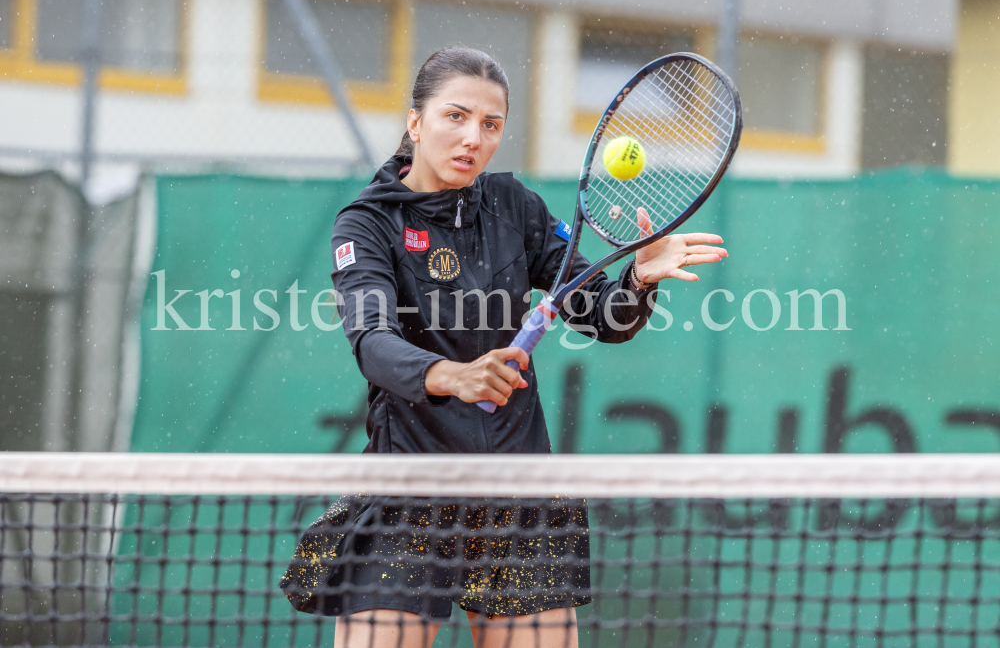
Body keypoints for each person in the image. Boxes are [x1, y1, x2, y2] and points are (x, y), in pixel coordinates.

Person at [281, 46, 728, 648]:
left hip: (519, 497)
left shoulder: (516, 207)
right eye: (455, 117)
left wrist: (638, 281)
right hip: (411, 498)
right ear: (416, 122)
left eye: (491, 125)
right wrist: (453, 375)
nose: (473, 138)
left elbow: (603, 315)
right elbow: (374, 344)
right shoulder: (367, 224)